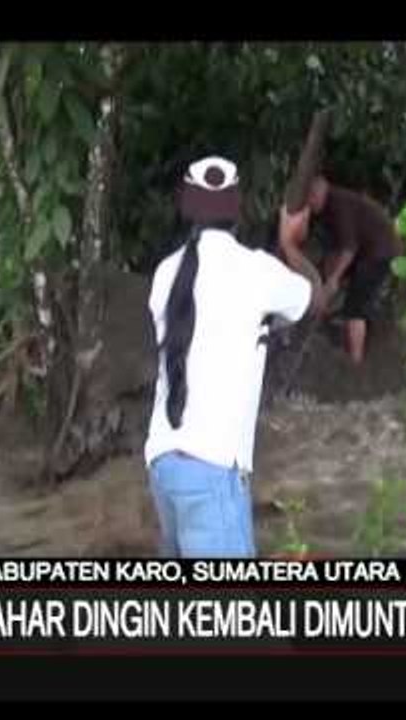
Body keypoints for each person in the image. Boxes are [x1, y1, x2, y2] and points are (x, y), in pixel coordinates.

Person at [144, 156, 314, 558]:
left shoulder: (165, 274)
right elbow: (313, 296)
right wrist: (290, 243)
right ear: (238, 209)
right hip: (213, 470)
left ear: (187, 206)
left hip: (163, 464)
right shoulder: (255, 271)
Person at [306, 176, 402, 365]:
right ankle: (327, 321)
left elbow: (349, 248)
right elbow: (337, 249)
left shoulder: (338, 205)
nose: (309, 206)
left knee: (355, 307)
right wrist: (328, 281)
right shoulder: (330, 206)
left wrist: (333, 279)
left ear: (318, 194)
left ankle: (354, 362)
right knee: (338, 276)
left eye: (310, 200)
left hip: (380, 251)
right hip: (369, 248)